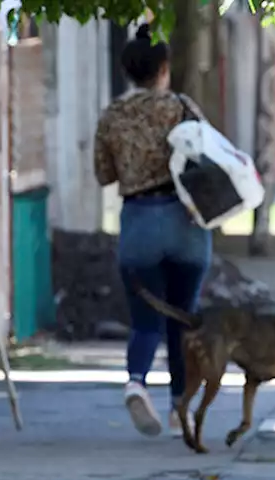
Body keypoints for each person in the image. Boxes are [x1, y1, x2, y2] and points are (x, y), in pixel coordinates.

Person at [94, 24, 212, 438]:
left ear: (127, 70)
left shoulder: (113, 114)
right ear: (163, 67)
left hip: (139, 221)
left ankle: (136, 381)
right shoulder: (181, 106)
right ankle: (181, 404)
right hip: (185, 221)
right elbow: (209, 156)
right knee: (182, 317)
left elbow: (103, 175)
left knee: (146, 320)